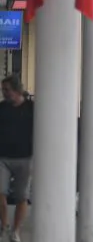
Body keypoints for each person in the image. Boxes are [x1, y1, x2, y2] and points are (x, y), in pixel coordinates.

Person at [0, 76, 32, 242]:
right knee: (0, 191)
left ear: (17, 89)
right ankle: (4, 226)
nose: (4, 93)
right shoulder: (2, 108)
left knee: (22, 196)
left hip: (25, 158)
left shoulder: (31, 108)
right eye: (3, 90)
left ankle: (16, 230)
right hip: (3, 157)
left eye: (7, 90)